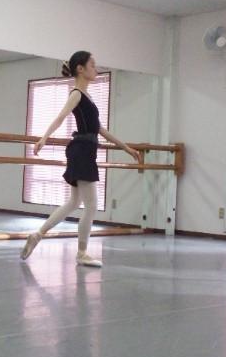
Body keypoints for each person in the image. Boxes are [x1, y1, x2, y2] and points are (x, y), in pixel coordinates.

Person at [20, 51, 141, 267]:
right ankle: (82, 253)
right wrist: (43, 138)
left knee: (74, 202)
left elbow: (100, 129)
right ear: (80, 69)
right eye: (92, 65)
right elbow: (61, 117)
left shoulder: (88, 98)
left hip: (84, 149)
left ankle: (38, 235)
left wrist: (126, 148)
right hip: (82, 150)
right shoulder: (76, 94)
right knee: (91, 204)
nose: (96, 69)